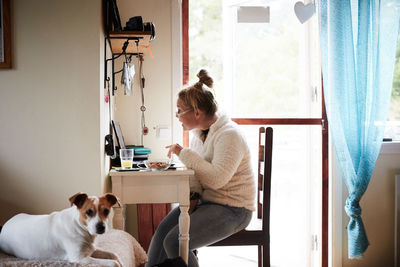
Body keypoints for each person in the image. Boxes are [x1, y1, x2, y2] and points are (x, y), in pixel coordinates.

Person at [145, 69, 255, 267]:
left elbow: (216, 179)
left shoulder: (230, 135)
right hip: (207, 202)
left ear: (197, 112)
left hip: (234, 209)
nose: (177, 115)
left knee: (174, 241)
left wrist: (183, 152)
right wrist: (193, 197)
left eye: (180, 110)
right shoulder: (200, 134)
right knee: (162, 232)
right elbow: (197, 173)